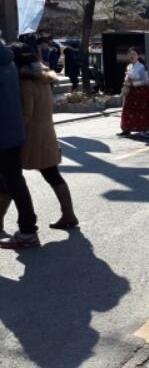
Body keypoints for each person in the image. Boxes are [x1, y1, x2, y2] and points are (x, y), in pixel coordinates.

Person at [10, 43, 80, 230]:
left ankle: (6, 221)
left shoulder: (25, 82)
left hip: (31, 139)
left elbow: (26, 115)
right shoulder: (42, 78)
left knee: (9, 177)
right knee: (53, 175)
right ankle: (68, 214)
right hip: (46, 135)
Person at [0, 41, 40, 248]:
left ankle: (27, 229)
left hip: (3, 133)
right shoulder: (10, 62)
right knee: (13, 181)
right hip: (13, 131)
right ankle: (27, 228)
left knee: (12, 182)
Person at [118, 48, 149, 138]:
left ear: (138, 56)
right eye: (130, 54)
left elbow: (145, 81)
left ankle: (144, 129)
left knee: (141, 111)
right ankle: (126, 129)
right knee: (127, 110)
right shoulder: (129, 66)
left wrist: (134, 82)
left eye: (134, 54)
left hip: (140, 91)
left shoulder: (142, 67)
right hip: (131, 92)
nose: (132, 56)